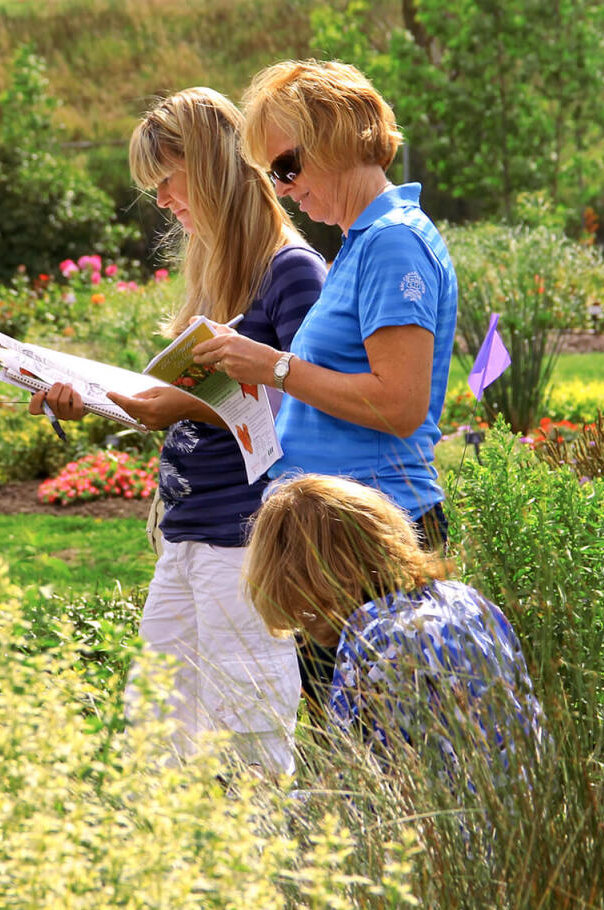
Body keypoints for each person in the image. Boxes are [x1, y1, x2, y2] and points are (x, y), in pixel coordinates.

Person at [30, 88, 326, 773]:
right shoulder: (215, 270)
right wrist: (107, 400)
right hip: (188, 531)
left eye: (166, 180)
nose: (162, 201)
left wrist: (180, 406)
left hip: (245, 535)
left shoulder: (291, 272)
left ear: (215, 165)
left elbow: (306, 410)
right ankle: (179, 870)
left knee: (247, 729)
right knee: (159, 724)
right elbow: (207, 393)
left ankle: (253, 869)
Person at [193, 59, 458, 548]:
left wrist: (272, 366)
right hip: (347, 523)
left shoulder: (391, 242)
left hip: (370, 528)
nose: (281, 189)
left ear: (336, 138)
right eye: (273, 175)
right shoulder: (365, 242)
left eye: (286, 168)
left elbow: (400, 406)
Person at [243, 474, 542, 769]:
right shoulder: (466, 599)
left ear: (301, 576)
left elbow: (362, 786)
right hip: (526, 799)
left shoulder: (375, 638)